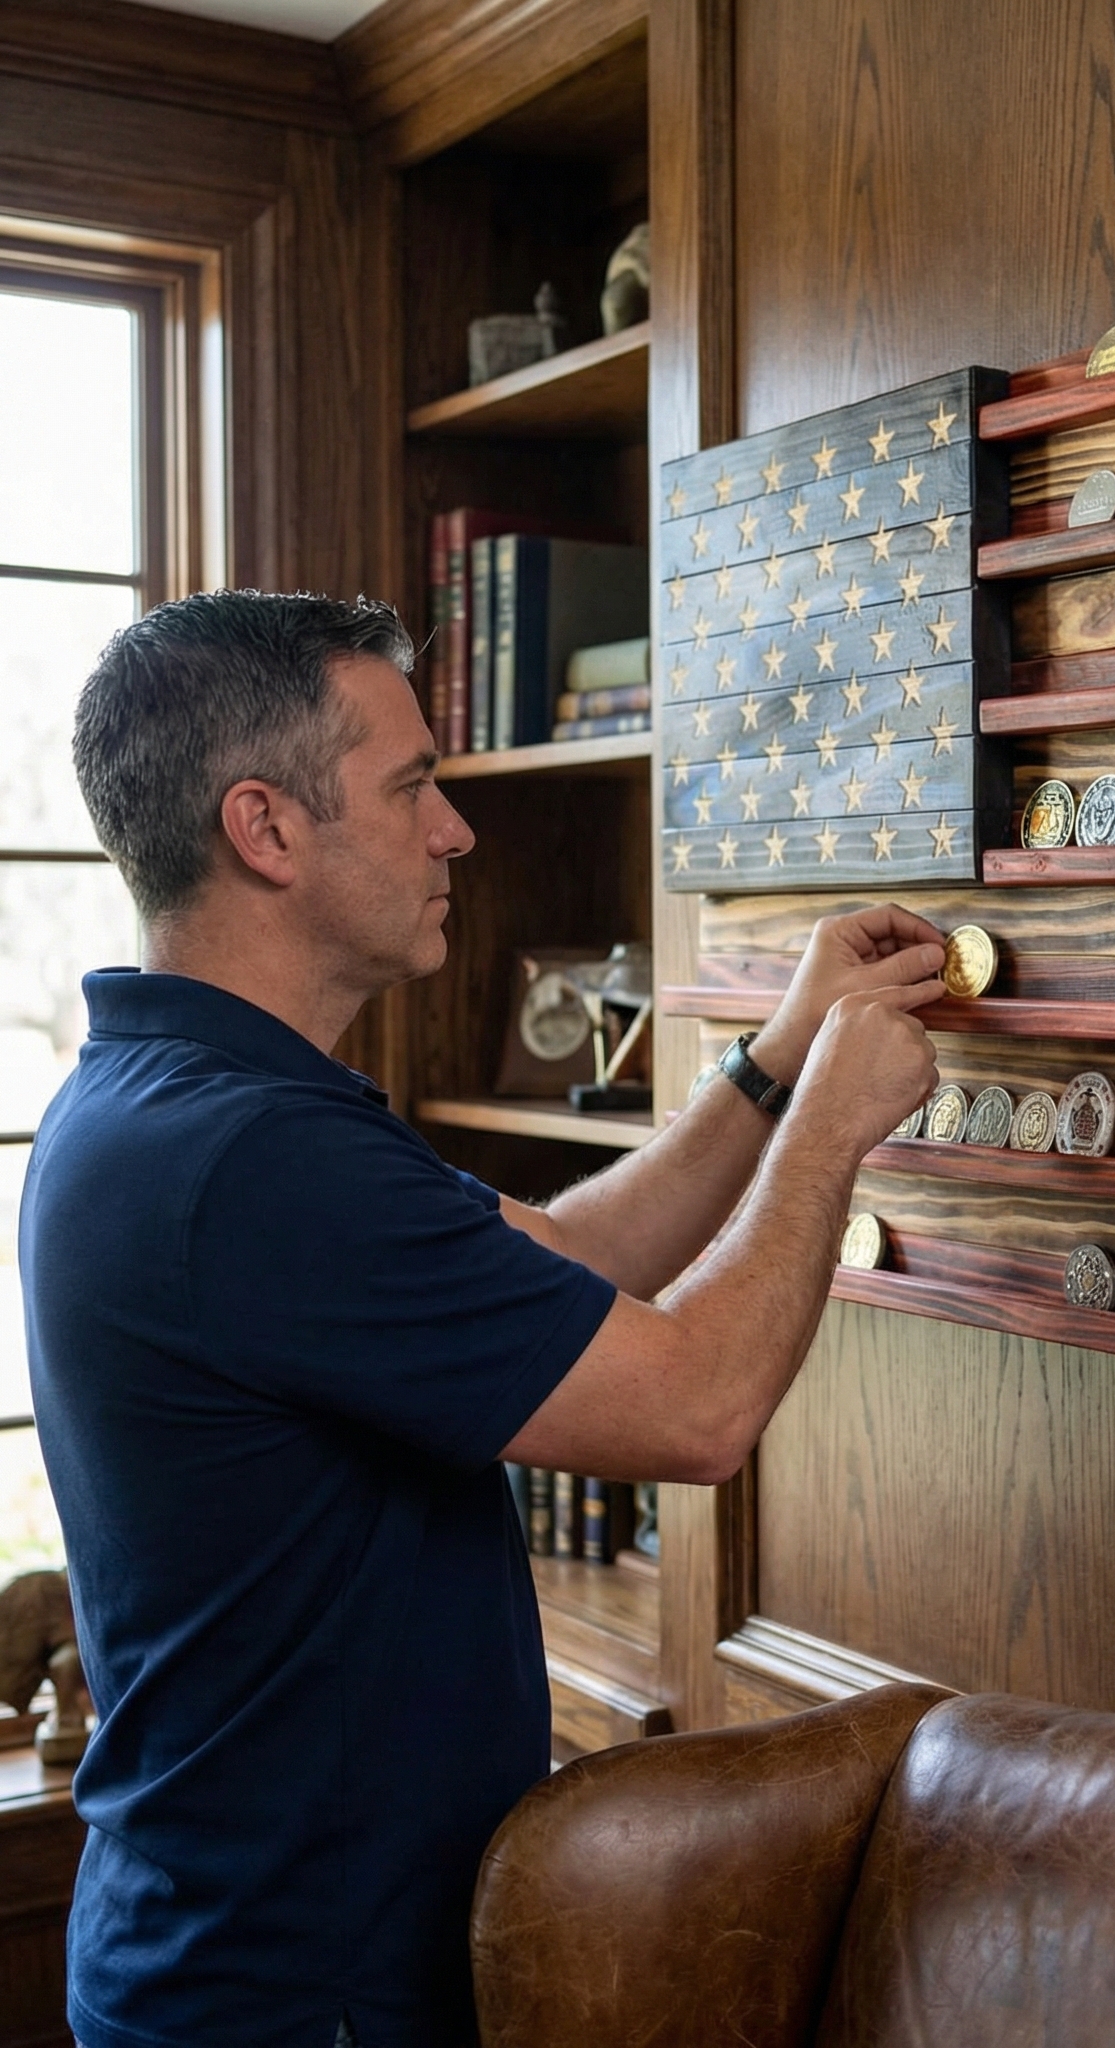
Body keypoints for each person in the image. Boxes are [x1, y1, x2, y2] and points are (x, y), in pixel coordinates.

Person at [23, 590, 946, 2048]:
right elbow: (698, 1407)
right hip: (297, 1994)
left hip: (228, 1953)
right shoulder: (255, 1161)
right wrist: (833, 1128)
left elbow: (577, 1259)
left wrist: (774, 1064)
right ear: (264, 829)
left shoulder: (172, 1104)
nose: (454, 830)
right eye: (410, 789)